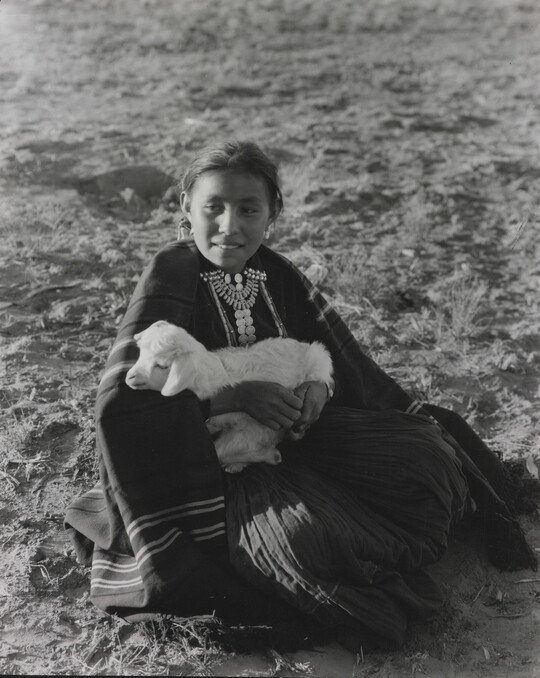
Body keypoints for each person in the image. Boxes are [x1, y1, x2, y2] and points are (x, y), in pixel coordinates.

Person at [65, 140, 537, 650]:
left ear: (271, 214)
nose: (230, 226)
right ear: (185, 208)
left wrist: (317, 388)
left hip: (301, 435)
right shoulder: (169, 277)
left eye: (249, 209)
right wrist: (234, 397)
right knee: (302, 541)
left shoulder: (278, 273)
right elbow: (122, 405)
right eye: (214, 208)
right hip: (217, 464)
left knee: (427, 458)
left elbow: (339, 362)